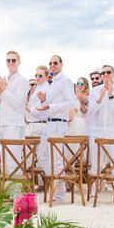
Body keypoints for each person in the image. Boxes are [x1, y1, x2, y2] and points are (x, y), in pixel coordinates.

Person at [35, 55, 76, 201]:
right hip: (50, 123)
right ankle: (58, 185)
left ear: (61, 64)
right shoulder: (52, 83)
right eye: (50, 63)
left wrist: (50, 106)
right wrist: (44, 101)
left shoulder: (65, 81)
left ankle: (59, 194)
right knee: (41, 155)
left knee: (57, 159)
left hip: (59, 124)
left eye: (55, 63)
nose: (52, 65)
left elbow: (71, 102)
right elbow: (51, 104)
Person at [87, 64, 114, 199]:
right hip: (96, 130)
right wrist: (99, 98)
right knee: (95, 162)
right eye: (103, 72)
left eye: (108, 72)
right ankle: (94, 191)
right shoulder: (94, 91)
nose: (105, 74)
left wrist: (110, 96)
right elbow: (91, 111)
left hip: (113, 131)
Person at [0, 51, 29, 140]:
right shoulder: (4, 80)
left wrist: (4, 88)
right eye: (8, 61)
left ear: (19, 62)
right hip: (1, 123)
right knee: (1, 154)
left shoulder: (22, 81)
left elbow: (17, 103)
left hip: (14, 125)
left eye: (13, 60)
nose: (10, 63)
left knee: (12, 154)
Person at [24, 65, 50, 138]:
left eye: (40, 76)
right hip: (36, 125)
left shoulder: (44, 90)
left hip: (37, 125)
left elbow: (37, 111)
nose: (37, 78)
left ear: (47, 77)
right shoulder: (39, 88)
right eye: (36, 75)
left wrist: (24, 106)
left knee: (28, 148)